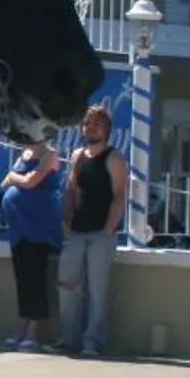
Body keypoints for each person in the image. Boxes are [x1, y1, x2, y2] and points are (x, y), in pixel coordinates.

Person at [53, 105, 128, 357]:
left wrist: (109, 226)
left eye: (96, 123)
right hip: (76, 230)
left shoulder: (114, 158)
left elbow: (120, 194)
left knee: (98, 288)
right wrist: (66, 218)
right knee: (67, 284)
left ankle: (92, 340)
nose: (90, 128)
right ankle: (67, 338)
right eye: (86, 123)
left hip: (101, 233)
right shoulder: (77, 156)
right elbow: (71, 190)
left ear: (106, 128)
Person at [0, 138, 62, 350]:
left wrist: (12, 176)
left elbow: (31, 181)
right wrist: (13, 180)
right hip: (19, 229)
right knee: (22, 279)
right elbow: (5, 185)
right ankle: (20, 329)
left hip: (38, 228)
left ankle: (33, 333)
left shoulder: (49, 154)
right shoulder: (23, 154)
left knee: (36, 278)